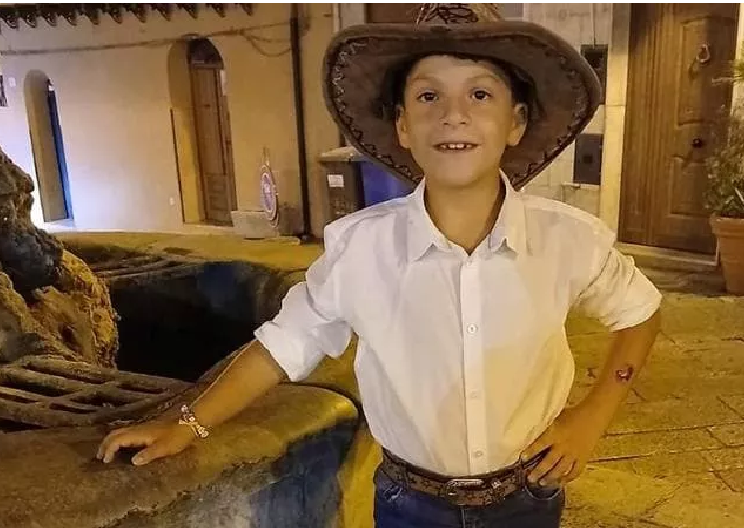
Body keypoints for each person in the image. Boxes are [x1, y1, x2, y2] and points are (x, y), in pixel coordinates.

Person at [97, 4, 662, 527]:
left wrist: (593, 415)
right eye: (428, 96)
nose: (454, 115)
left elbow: (640, 313)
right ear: (402, 126)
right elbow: (281, 347)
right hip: (409, 505)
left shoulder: (567, 239)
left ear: (515, 122)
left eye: (480, 94)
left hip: (528, 497)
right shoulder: (359, 249)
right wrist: (187, 424)